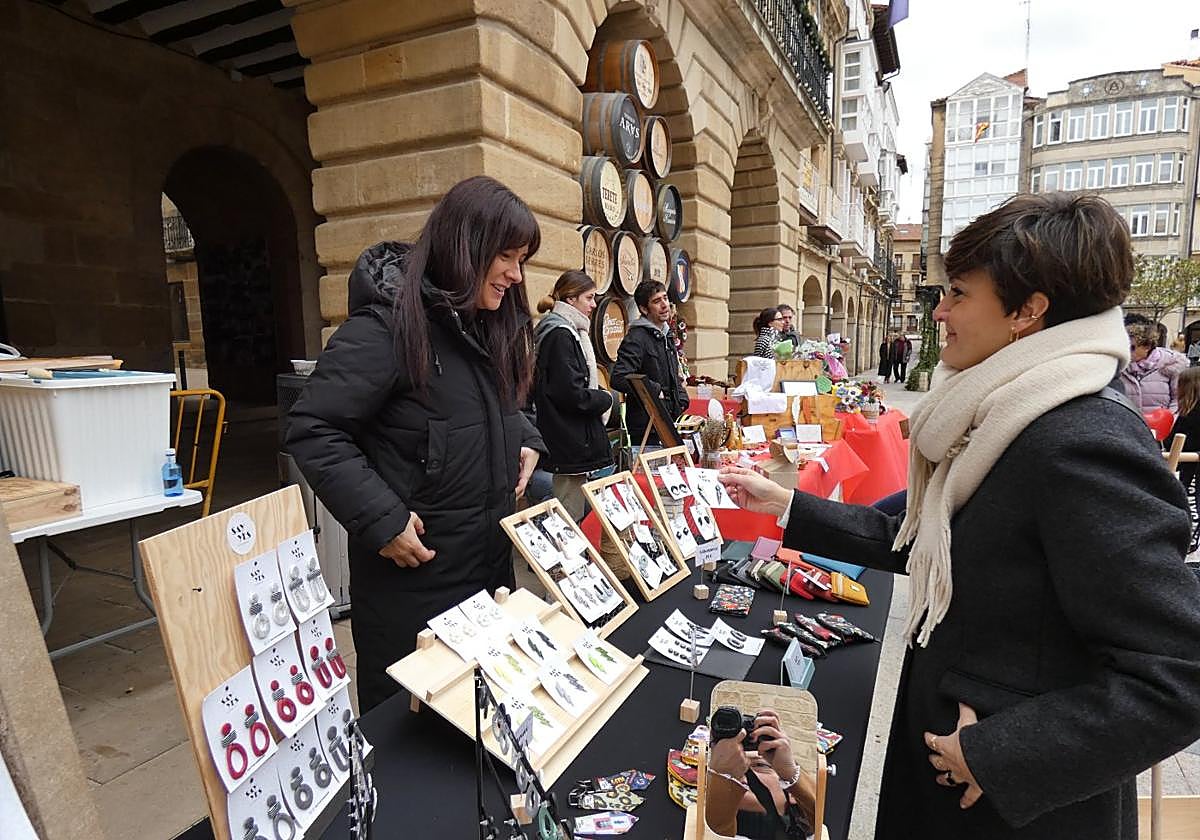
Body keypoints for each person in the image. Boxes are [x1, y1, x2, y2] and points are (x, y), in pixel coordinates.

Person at [718, 192, 1200, 839]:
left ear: (1028, 312)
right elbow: (922, 538)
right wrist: (787, 505)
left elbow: (1180, 671)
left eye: (960, 294)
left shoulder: (1081, 440)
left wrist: (1004, 751)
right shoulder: (1007, 415)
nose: (940, 311)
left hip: (1006, 810)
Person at [286, 176, 547, 712]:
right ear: (466, 246)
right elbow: (313, 428)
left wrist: (524, 437)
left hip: (485, 580)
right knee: (414, 749)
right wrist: (381, 519)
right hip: (414, 592)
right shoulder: (385, 329)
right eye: (507, 256)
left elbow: (501, 404)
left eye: (521, 259)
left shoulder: (486, 325)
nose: (515, 275)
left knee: (480, 742)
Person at [532, 269, 615, 521]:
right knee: (569, 518)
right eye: (589, 298)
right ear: (570, 299)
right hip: (568, 441)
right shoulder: (561, 335)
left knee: (572, 512)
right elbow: (570, 394)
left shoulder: (566, 331)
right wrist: (606, 398)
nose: (593, 305)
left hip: (570, 440)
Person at [705, 709, 817, 839]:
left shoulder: (811, 833)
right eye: (733, 765)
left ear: (792, 794)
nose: (741, 771)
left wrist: (790, 772)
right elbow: (716, 829)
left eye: (760, 765)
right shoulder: (706, 821)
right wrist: (721, 778)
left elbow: (821, 816)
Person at [611, 280, 689, 448]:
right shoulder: (636, 338)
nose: (664, 305)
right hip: (647, 429)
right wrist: (654, 390)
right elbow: (618, 377)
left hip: (669, 423)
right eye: (656, 301)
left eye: (665, 298)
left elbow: (672, 374)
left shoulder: (666, 335)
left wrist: (682, 399)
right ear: (643, 309)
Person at [1122, 322, 1188, 414]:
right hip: (1130, 425)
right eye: (1125, 347)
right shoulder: (1120, 367)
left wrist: (1168, 422)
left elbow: (1178, 399)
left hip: (1161, 425)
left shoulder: (1171, 364)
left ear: (1147, 347)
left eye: (1132, 347)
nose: (1127, 351)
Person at [1170, 366, 1200, 555]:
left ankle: (1190, 540)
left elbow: (1175, 439)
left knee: (1191, 502)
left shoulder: (1189, 415)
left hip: (1191, 465)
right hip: (1191, 463)